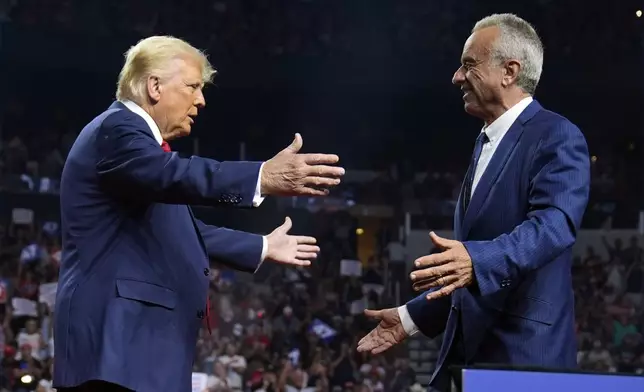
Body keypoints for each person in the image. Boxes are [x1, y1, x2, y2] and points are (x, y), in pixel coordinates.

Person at [53, 36, 345, 392]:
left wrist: (261, 246)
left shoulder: (137, 153)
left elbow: (178, 230)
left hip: (136, 353)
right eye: (192, 86)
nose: (201, 100)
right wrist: (260, 177)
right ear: (154, 86)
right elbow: (175, 174)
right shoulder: (117, 130)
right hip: (116, 349)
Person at [357, 14, 590, 391]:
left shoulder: (557, 135)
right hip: (466, 359)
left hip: (522, 359)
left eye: (469, 65)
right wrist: (409, 318)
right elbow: (472, 271)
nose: (456, 77)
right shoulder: (485, 143)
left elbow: (554, 226)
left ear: (509, 71)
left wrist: (475, 259)